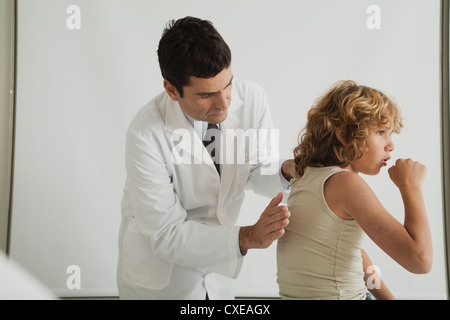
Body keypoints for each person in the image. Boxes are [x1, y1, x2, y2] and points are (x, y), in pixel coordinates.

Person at [117, 16, 296, 300]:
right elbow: (165, 234)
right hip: (163, 278)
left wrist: (287, 171)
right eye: (206, 95)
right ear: (172, 90)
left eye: (228, 85)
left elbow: (258, 170)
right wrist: (247, 236)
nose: (224, 103)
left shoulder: (253, 98)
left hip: (219, 269)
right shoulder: (144, 134)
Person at [276, 80, 432, 300]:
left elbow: (352, 254)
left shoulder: (306, 177)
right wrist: (411, 187)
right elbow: (420, 261)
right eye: (380, 132)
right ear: (345, 135)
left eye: (390, 133)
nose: (391, 145)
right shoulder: (346, 184)